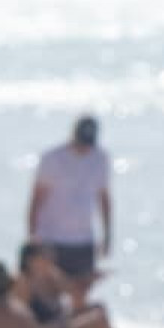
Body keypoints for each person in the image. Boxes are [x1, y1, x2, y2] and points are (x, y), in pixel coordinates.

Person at [16, 242, 152, 328]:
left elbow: (76, 295)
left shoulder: (49, 279)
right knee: (96, 320)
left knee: (98, 309)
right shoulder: (23, 285)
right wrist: (56, 326)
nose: (51, 259)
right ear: (31, 260)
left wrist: (88, 280)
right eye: (45, 255)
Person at [28, 114, 111, 310]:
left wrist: (107, 235)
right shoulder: (52, 158)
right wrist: (34, 237)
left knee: (80, 296)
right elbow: (36, 199)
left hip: (83, 239)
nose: (84, 147)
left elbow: (104, 198)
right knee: (49, 295)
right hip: (52, 238)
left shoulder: (100, 159)